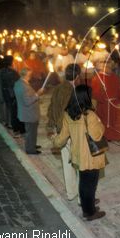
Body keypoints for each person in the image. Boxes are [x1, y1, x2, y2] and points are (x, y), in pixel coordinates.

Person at [51, 85, 107, 221]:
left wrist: (55, 141)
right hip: (91, 156)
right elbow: (98, 135)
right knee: (90, 184)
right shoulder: (90, 115)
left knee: (83, 183)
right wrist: (101, 123)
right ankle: (89, 212)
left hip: (78, 155)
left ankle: (88, 206)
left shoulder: (68, 114)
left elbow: (63, 137)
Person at [47, 64, 81, 200]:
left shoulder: (57, 88)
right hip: (70, 132)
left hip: (60, 131)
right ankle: (81, 197)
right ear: (77, 76)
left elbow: (51, 108)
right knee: (79, 164)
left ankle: (71, 193)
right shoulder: (73, 91)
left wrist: (52, 127)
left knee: (67, 164)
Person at [91, 60, 120, 143]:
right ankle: (107, 136)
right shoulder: (97, 78)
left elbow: (119, 89)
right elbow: (94, 93)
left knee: (118, 120)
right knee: (105, 121)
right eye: (107, 67)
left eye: (110, 67)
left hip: (115, 103)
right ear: (103, 68)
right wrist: (102, 93)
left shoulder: (114, 77)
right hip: (104, 104)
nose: (110, 69)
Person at [14, 68, 45, 155]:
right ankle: (30, 149)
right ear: (25, 75)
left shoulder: (18, 83)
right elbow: (27, 101)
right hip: (29, 113)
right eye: (29, 75)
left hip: (27, 112)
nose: (30, 76)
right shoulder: (24, 86)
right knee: (30, 132)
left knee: (32, 132)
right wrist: (37, 94)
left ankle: (32, 145)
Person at [1, 56, 25, 135]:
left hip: (8, 93)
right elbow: (15, 83)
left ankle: (17, 129)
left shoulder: (4, 70)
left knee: (14, 111)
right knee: (16, 112)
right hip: (13, 94)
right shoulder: (11, 72)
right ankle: (18, 129)